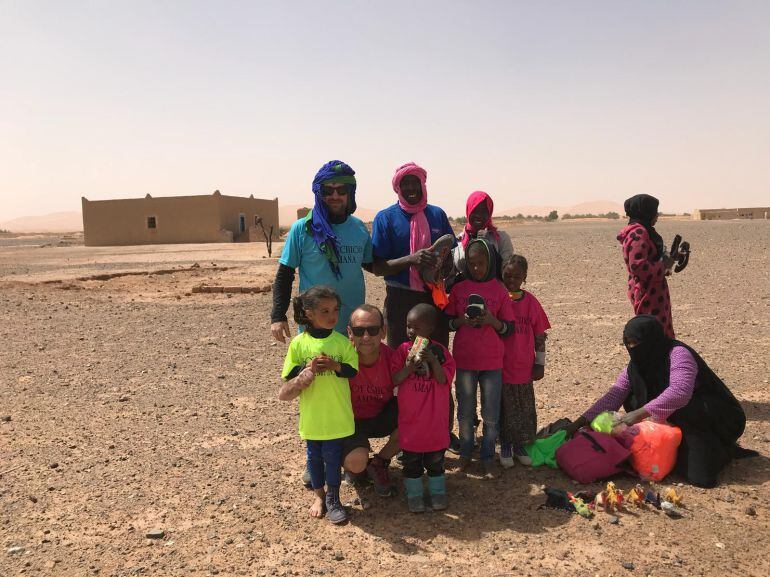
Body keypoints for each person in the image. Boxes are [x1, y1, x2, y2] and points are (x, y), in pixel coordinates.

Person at [558, 315, 755, 488]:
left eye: (637, 343)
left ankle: (723, 448)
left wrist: (636, 415)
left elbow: (680, 392)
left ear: (652, 340)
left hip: (703, 417)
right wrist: (578, 423)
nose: (632, 348)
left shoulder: (678, 354)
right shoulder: (635, 366)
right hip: (668, 419)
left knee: (699, 477)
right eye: (628, 344)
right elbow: (614, 396)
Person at [278, 286, 358, 523]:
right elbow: (288, 377)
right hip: (312, 418)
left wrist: (335, 366)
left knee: (332, 458)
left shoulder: (342, 343)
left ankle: (334, 498)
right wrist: (306, 371)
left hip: (336, 416)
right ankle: (319, 497)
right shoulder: (299, 344)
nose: (332, 315)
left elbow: (352, 371)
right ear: (309, 313)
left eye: (335, 309)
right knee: (314, 458)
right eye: (325, 310)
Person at [271, 160, 372, 340]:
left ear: (350, 193)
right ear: (319, 193)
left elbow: (372, 264)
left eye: (341, 190)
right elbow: (285, 274)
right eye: (327, 191)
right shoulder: (302, 228)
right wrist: (278, 316)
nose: (335, 196)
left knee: (350, 369)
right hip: (315, 330)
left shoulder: (359, 228)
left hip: (353, 330)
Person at [445, 238, 514, 479]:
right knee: (465, 412)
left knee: (491, 416)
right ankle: (465, 455)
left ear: (490, 262)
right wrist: (462, 321)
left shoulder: (499, 289)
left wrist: (491, 322)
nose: (476, 268)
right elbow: (448, 322)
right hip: (464, 361)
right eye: (472, 264)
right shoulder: (459, 289)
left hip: (492, 363)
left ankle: (487, 458)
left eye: (481, 263)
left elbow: (509, 328)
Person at [370, 162, 456, 349]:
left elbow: (450, 252)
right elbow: (378, 267)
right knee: (401, 358)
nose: (410, 187)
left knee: (437, 355)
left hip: (433, 296)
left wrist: (443, 268)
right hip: (400, 299)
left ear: (423, 185)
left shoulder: (437, 214)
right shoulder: (385, 218)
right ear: (397, 188)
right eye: (405, 183)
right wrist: (411, 259)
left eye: (415, 182)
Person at [392, 304, 456, 512]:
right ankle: (415, 495)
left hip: (434, 423)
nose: (411, 331)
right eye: (408, 326)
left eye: (416, 328)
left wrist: (433, 360)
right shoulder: (402, 351)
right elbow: (395, 379)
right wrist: (410, 365)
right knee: (411, 463)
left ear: (430, 329)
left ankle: (438, 493)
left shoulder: (441, 352)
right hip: (411, 422)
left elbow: (442, 379)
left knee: (436, 462)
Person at [499, 254, 551, 468]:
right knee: (504, 408)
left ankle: (520, 445)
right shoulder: (498, 299)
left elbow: (540, 335)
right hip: (501, 367)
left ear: (525, 278)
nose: (512, 280)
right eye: (508, 275)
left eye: (517, 276)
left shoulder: (530, 302)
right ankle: (505, 446)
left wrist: (540, 363)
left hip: (524, 367)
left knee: (523, 408)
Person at [343, 304, 399, 497]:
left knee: (416, 415)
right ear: (350, 333)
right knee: (356, 463)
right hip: (350, 423)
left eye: (373, 330)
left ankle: (379, 463)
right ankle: (353, 464)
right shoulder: (340, 360)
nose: (366, 337)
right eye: (359, 331)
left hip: (380, 415)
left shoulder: (394, 359)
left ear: (383, 332)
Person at [619, 194, 676, 338]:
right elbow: (638, 266)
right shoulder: (638, 233)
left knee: (659, 331)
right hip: (647, 293)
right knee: (654, 334)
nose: (657, 215)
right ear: (646, 212)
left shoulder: (644, 230)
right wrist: (663, 266)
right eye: (654, 211)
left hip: (653, 290)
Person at [452, 191, 513, 279]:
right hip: (465, 291)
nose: (478, 215)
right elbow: (451, 273)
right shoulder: (458, 241)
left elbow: (506, 271)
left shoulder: (501, 239)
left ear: (489, 213)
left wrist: (488, 246)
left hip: (494, 290)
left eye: (483, 211)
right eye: (475, 210)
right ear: (468, 211)